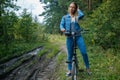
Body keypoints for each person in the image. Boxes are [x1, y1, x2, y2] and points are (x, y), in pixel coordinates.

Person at [60, 2, 91, 76]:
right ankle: (70, 70)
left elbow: (82, 15)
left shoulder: (76, 17)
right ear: (69, 7)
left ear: (75, 8)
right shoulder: (65, 17)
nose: (72, 8)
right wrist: (62, 28)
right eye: (70, 7)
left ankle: (88, 68)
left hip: (78, 36)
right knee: (70, 54)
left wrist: (78, 9)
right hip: (69, 37)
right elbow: (61, 25)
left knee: (84, 52)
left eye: (73, 7)